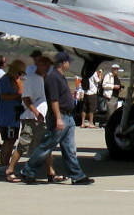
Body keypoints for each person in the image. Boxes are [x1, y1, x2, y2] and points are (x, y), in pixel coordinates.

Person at [18, 52, 92, 185]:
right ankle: (27, 171)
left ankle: (77, 175)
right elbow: (54, 100)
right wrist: (58, 118)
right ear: (63, 63)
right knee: (47, 146)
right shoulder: (53, 78)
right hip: (61, 116)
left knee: (69, 148)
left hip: (68, 117)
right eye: (68, 62)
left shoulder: (60, 77)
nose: (69, 64)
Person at [14, 49, 56, 182]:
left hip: (41, 116)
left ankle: (50, 172)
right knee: (24, 145)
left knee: (45, 145)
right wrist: (35, 112)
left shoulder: (43, 78)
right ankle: (12, 169)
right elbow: (26, 98)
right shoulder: (32, 75)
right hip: (32, 117)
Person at [0, 59, 25, 180]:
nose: (20, 75)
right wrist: (19, 96)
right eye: (19, 72)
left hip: (14, 116)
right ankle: (4, 164)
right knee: (8, 141)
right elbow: (3, 95)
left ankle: (5, 164)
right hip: (7, 116)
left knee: (11, 140)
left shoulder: (14, 80)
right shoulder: (5, 80)